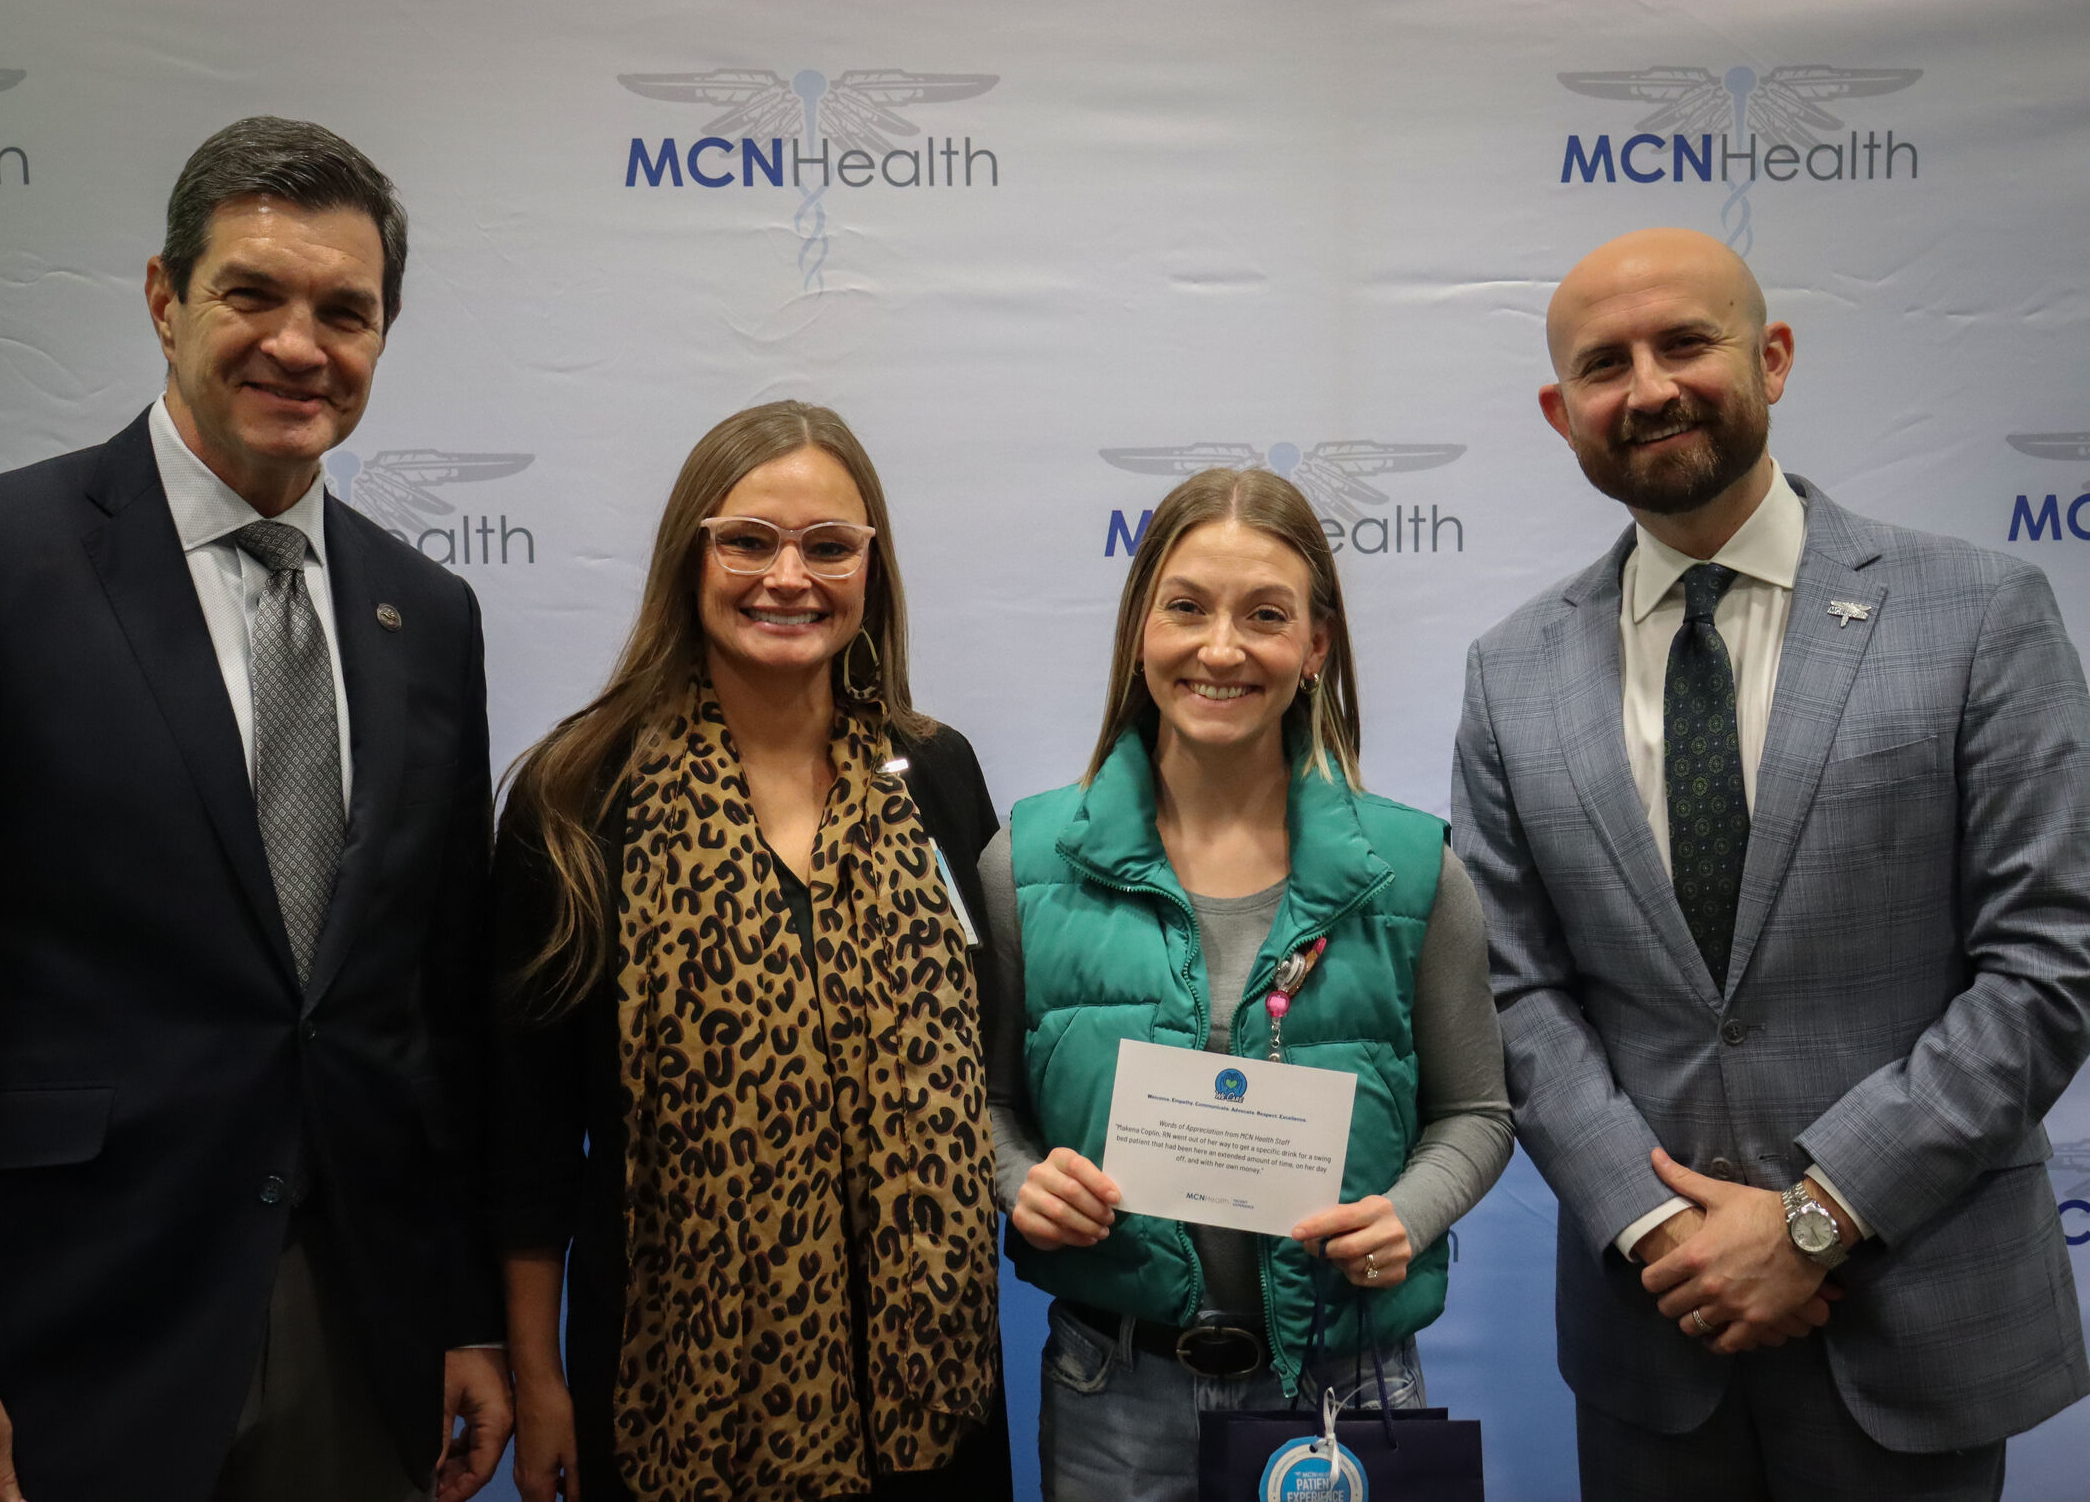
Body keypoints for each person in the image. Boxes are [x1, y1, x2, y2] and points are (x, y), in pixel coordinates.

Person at [0, 117, 513, 1502]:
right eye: (251, 293)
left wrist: (461, 1311)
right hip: (55, 1348)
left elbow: (430, 1009)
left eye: (345, 312)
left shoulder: (426, 615)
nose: (299, 346)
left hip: (356, 1336)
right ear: (164, 297)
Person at [1451, 226, 2090, 1499]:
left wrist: (1818, 1214)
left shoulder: (1979, 611)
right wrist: (1661, 1227)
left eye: (1686, 343)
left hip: (1912, 1316)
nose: (1649, 388)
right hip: (1655, 1335)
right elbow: (1511, 988)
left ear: (1774, 358)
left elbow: (2049, 960)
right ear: (1561, 412)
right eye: (1604, 364)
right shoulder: (1511, 669)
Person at [492, 401, 1011, 1502]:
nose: (789, 577)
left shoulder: (936, 774)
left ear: (872, 568)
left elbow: (990, 1060)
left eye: (828, 546)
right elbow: (526, 1139)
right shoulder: (576, 798)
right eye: (748, 541)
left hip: (929, 1398)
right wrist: (537, 1377)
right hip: (680, 1402)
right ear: (691, 556)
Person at [982, 468, 1513, 1501]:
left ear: (1316, 646)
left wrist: (1409, 1214)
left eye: (1265, 615)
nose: (1220, 649)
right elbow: (986, 1103)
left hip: (1345, 1391)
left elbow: (1477, 1113)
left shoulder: (1413, 870)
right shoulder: (1027, 861)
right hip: (1113, 1395)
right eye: (1186, 607)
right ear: (1140, 629)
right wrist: (1018, 1180)